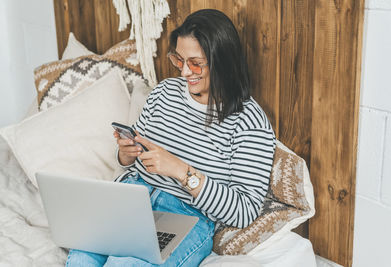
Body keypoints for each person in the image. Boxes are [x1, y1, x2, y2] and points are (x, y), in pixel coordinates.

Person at [66, 8, 276, 267]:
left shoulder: (249, 122)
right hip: (133, 196)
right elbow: (134, 153)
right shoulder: (165, 91)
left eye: (196, 63)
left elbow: (244, 211)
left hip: (185, 215)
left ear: (222, 60)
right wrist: (125, 153)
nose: (186, 72)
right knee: (80, 258)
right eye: (179, 60)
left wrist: (180, 170)